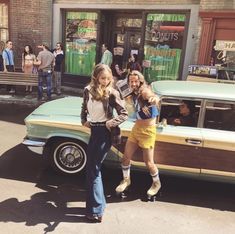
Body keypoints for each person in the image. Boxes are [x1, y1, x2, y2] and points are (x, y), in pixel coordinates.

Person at [81, 64, 128, 222]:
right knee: (94, 170)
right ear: (96, 77)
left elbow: (124, 113)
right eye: (103, 78)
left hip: (104, 134)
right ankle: (99, 205)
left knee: (92, 170)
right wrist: (84, 120)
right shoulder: (88, 90)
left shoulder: (112, 93)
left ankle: (95, 211)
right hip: (94, 131)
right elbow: (84, 107)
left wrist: (111, 123)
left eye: (108, 78)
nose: (106, 81)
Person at [115, 70, 161, 199]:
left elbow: (154, 97)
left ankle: (157, 184)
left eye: (136, 81)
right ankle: (126, 180)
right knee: (125, 158)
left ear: (140, 81)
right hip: (136, 129)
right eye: (131, 81)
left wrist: (154, 99)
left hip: (148, 132)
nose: (134, 83)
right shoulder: (131, 93)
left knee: (149, 163)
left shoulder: (144, 91)